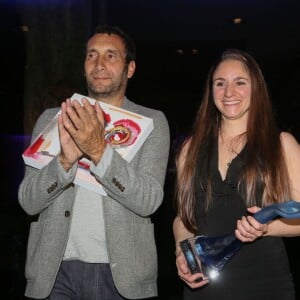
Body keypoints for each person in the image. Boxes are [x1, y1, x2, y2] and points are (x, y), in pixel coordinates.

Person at [18, 25, 170, 299]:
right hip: (54, 274)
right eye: (92, 55)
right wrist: (64, 160)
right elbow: (28, 201)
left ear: (130, 68)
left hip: (123, 276)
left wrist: (99, 151)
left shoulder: (152, 122)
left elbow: (149, 200)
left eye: (111, 55)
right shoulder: (54, 119)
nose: (99, 64)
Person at [173, 48, 300, 299]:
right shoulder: (190, 148)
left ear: (256, 88)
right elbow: (184, 219)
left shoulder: (281, 144)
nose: (229, 92)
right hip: (204, 286)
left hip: (266, 283)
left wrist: (267, 228)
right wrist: (182, 252)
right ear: (211, 92)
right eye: (220, 84)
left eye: (240, 82)